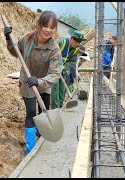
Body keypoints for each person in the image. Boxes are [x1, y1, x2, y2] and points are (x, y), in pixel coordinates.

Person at [3, 11, 63, 154]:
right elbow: (15, 52)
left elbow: (55, 74)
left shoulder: (54, 49)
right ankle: (30, 150)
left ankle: (40, 133)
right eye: (45, 26)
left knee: (44, 110)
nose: (48, 30)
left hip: (44, 83)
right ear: (39, 25)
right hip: (27, 82)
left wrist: (41, 81)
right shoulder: (27, 39)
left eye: (52, 27)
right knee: (31, 113)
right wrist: (8, 39)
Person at [51, 29, 87, 109]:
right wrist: (55, 66)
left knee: (62, 89)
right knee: (55, 89)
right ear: (71, 38)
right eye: (76, 41)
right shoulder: (61, 42)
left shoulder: (76, 49)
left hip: (63, 71)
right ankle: (54, 108)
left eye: (79, 42)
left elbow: (72, 61)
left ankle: (60, 106)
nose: (77, 44)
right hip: (53, 70)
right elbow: (49, 53)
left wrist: (63, 67)